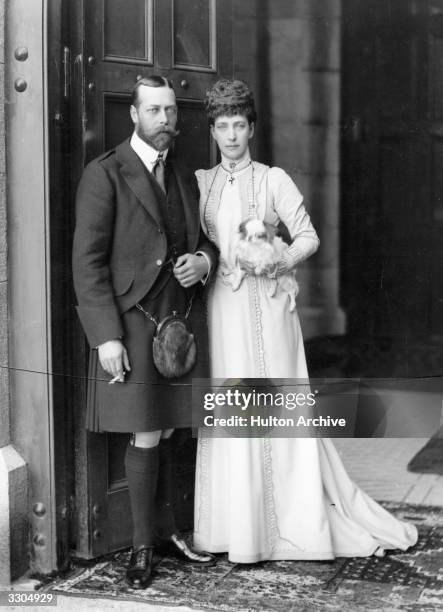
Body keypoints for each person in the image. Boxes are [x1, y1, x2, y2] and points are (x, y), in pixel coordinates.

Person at [193, 79, 418, 563]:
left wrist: (276, 260)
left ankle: (287, 524)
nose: (232, 135)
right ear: (212, 131)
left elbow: (309, 237)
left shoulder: (273, 179)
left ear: (252, 128)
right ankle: (237, 529)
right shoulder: (202, 183)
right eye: (222, 126)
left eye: (239, 125)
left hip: (270, 309)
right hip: (222, 311)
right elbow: (201, 245)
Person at [72, 75, 217, 589]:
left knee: (177, 427)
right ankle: (140, 548)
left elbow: (208, 241)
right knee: (148, 429)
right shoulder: (104, 173)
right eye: (155, 111)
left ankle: (171, 530)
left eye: (171, 112)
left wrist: (203, 260)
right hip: (132, 325)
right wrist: (105, 336)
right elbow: (87, 265)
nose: (166, 121)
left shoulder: (183, 176)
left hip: (179, 323)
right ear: (134, 115)